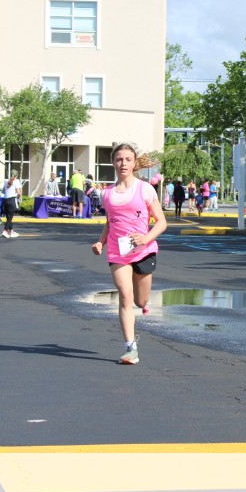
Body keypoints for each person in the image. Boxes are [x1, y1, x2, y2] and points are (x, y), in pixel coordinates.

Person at [91, 143, 167, 365]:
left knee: (140, 300)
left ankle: (143, 304)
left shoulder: (145, 189)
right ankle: (130, 349)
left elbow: (161, 222)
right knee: (125, 295)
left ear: (134, 163)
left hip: (143, 250)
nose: (123, 163)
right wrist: (101, 242)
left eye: (127, 159)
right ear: (113, 163)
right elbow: (110, 223)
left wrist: (146, 238)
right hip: (118, 252)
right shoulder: (107, 193)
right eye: (119, 159)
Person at [1, 171, 22, 238]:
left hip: (5, 200)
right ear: (16, 176)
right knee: (10, 217)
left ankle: (12, 231)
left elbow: (3, 191)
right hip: (12, 199)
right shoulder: (16, 181)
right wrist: (19, 196)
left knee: (8, 217)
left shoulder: (6, 181)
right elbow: (18, 192)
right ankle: (5, 231)